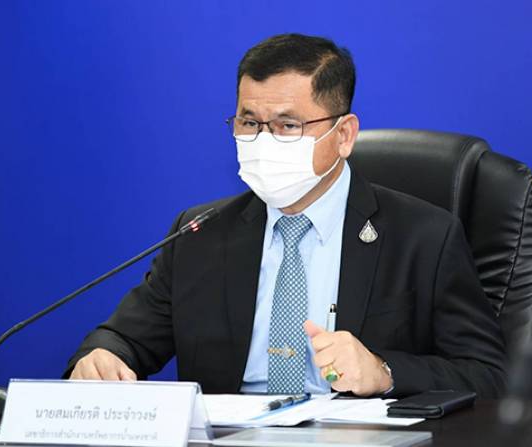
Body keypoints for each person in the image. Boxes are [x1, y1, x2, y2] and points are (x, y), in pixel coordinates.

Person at [66, 33, 506, 398]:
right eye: (249, 123)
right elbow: (122, 338)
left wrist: (384, 371)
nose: (263, 141)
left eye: (287, 126)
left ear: (344, 134)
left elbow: (489, 377)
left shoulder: (424, 236)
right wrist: (102, 357)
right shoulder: (200, 234)